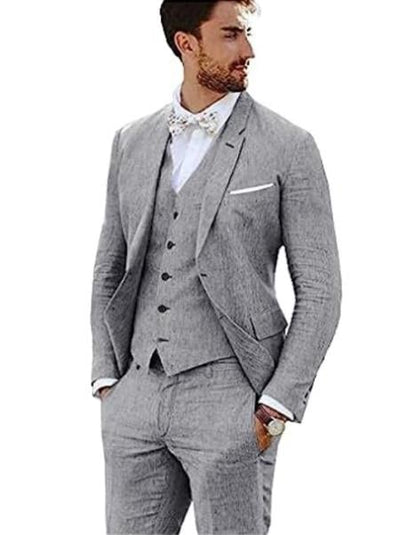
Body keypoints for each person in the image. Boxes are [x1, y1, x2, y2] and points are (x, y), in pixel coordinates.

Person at [90, 1, 342, 533]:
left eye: (247, 34)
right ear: (187, 43)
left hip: (233, 398)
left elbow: (321, 289)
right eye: (230, 35)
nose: (248, 50)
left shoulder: (289, 146)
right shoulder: (131, 141)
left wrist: (275, 407)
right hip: (136, 397)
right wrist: (108, 380)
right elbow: (109, 268)